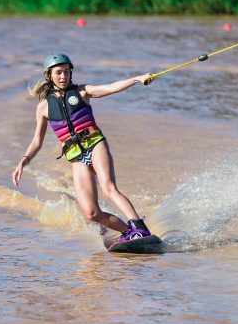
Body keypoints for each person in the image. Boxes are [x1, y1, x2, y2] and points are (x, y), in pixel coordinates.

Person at [11, 53, 153, 242]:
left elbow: (110, 88)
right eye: (59, 73)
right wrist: (23, 161)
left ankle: (139, 227)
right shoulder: (43, 107)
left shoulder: (82, 92)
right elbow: (37, 141)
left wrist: (137, 78)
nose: (63, 77)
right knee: (91, 213)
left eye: (67, 72)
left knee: (108, 188)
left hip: (94, 144)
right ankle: (128, 233)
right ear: (49, 76)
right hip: (76, 157)